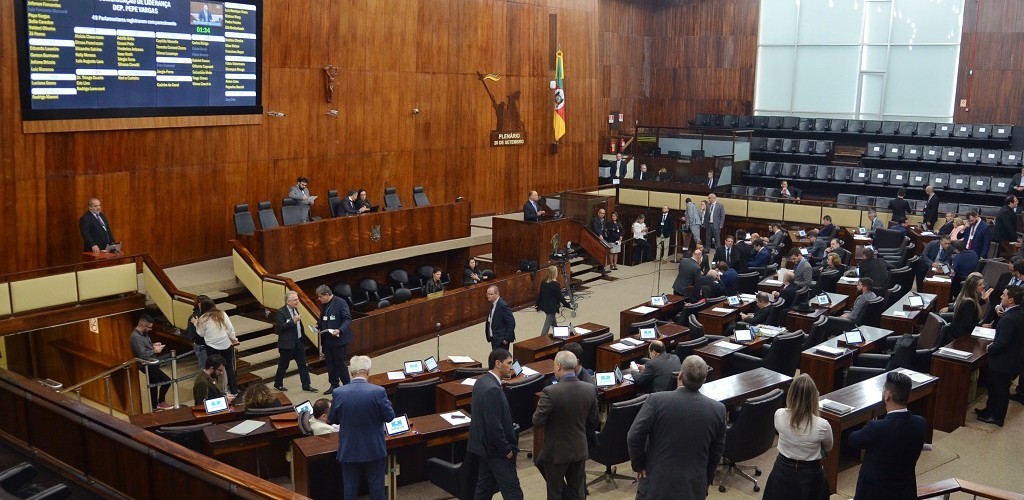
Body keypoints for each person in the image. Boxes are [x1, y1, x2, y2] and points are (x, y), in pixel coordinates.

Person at [627, 355, 726, 499]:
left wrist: (639, 465)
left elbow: (634, 436)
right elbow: (717, 451)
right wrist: (707, 479)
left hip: (656, 484)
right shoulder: (718, 409)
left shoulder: (656, 400)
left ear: (680, 375)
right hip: (693, 486)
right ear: (704, 381)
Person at [848, 371, 928, 499]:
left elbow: (853, 439)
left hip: (874, 494)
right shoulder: (920, 423)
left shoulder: (877, 428)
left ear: (887, 395)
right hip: (905, 493)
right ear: (908, 396)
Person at [531, 351, 599, 500]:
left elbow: (537, 421)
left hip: (556, 453)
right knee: (578, 492)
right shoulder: (590, 389)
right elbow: (593, 419)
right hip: (579, 448)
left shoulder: (550, 392)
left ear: (559, 366)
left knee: (555, 493)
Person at [328, 356, 396, 500]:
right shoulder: (378, 392)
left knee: (350, 488)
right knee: (377, 488)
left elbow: (332, 419)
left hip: (349, 447)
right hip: (374, 447)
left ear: (351, 372)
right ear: (368, 371)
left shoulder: (338, 393)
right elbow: (390, 417)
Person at [762, 374, 832, 500]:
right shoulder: (822, 425)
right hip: (810, 476)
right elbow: (828, 447)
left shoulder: (779, 415)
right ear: (814, 397)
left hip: (782, 471)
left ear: (791, 395)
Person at [467, 349, 523, 499]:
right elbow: (494, 426)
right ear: (498, 363)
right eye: (509, 363)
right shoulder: (492, 389)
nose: (512, 367)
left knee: (483, 491)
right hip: (497, 452)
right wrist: (507, 450)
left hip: (484, 448)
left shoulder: (481, 381)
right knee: (514, 495)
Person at [976, 286, 1024, 426]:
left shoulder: (1009, 318)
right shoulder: (1019, 312)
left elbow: (1002, 343)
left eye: (1003, 295)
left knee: (1000, 390)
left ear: (1011, 300)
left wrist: (990, 348)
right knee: (993, 386)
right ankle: (989, 410)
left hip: (1003, 361)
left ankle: (997, 417)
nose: (1001, 297)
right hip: (1011, 358)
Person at [194, 297, 239, 395]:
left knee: (213, 369)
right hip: (225, 344)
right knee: (229, 368)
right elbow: (230, 328)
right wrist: (234, 338)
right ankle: (234, 391)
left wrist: (196, 324)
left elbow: (201, 334)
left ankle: (217, 392)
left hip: (211, 346)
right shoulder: (222, 313)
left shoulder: (203, 318)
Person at [274, 291, 316, 393]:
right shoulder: (281, 312)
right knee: (283, 366)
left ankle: (306, 385)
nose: (297, 302)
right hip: (287, 345)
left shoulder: (295, 309)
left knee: (303, 364)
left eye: (297, 299)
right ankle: (278, 384)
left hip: (299, 342)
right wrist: (293, 321)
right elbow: (279, 328)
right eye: (295, 300)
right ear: (288, 302)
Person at [129, 315, 172, 410]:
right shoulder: (136, 337)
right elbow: (142, 355)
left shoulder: (143, 334)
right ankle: (161, 401)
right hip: (146, 365)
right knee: (167, 381)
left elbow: (145, 346)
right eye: (149, 327)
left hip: (152, 362)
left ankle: (154, 406)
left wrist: (153, 345)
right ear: (142, 325)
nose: (150, 329)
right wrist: (155, 351)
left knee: (153, 384)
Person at [316, 284, 353, 394]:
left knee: (340, 363)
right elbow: (323, 318)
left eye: (320, 297)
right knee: (330, 364)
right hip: (327, 340)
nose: (319, 299)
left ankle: (347, 385)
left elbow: (347, 319)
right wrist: (318, 325)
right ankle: (334, 385)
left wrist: (339, 330)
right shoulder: (325, 304)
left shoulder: (341, 303)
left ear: (326, 294)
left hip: (339, 339)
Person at [942, 272, 987, 343]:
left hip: (957, 333)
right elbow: (968, 325)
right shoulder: (969, 302)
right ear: (973, 287)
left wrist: (983, 300)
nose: (983, 286)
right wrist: (982, 326)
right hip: (961, 338)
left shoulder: (966, 297)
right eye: (980, 285)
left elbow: (970, 309)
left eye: (983, 283)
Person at [536, 265, 572, 336]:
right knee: (546, 327)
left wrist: (537, 304)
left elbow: (540, 294)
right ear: (554, 273)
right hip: (552, 308)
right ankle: (541, 340)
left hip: (545, 306)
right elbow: (560, 297)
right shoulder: (556, 284)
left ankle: (558, 335)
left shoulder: (543, 282)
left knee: (554, 323)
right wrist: (567, 305)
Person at [181, 294, 209, 370]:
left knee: (205, 367)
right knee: (204, 367)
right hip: (202, 344)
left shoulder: (195, 316)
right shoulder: (198, 316)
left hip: (201, 343)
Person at [485, 285, 516, 349]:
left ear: (497, 294)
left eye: (490, 294)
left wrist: (506, 339)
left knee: (502, 358)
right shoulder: (493, 304)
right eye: (487, 294)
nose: (488, 296)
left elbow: (511, 322)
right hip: (494, 339)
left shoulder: (503, 305)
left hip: (501, 340)